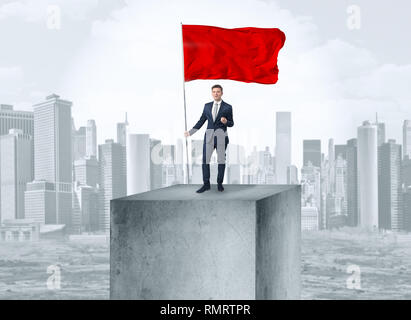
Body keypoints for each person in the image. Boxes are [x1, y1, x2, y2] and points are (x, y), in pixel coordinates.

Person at [184, 84, 234, 193]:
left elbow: (232, 123)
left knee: (221, 161)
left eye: (218, 92)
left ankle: (219, 183)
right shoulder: (207, 106)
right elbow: (201, 120)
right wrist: (191, 132)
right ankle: (206, 184)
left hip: (221, 136)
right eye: (214, 92)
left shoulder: (228, 107)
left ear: (222, 93)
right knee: (205, 160)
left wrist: (226, 122)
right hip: (209, 136)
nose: (216, 93)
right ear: (212, 93)